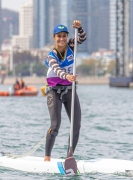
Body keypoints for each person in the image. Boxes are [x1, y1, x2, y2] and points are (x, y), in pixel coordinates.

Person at [44, 20, 86, 161]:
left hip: (69, 90)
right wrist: (67, 75)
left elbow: (82, 38)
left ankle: (70, 156)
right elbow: (57, 69)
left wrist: (79, 28)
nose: (62, 39)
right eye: (59, 36)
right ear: (54, 37)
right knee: (55, 125)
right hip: (53, 91)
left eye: (64, 36)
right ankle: (47, 157)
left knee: (76, 124)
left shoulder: (71, 46)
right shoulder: (51, 55)